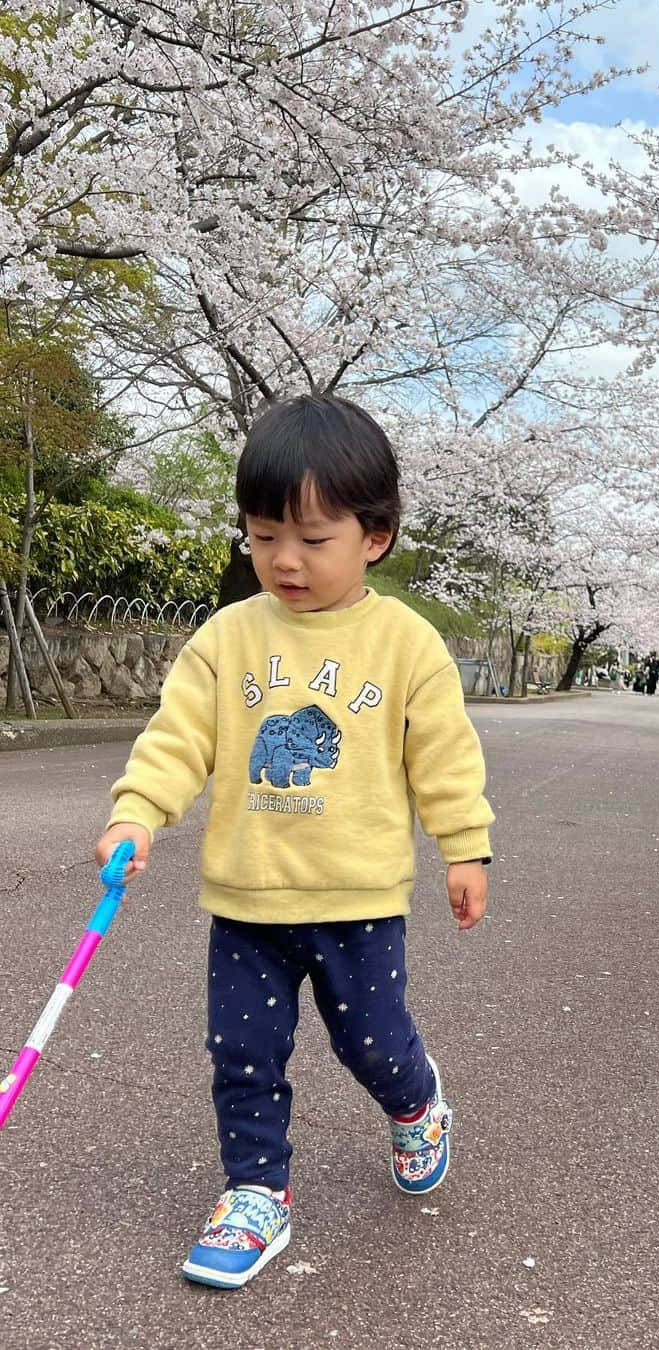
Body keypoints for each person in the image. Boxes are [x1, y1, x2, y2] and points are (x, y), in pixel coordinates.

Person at [93, 394, 495, 1290]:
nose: (285, 558)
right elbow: (177, 736)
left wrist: (463, 848)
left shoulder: (406, 644)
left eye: (314, 539)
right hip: (246, 899)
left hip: (358, 901)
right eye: (264, 533)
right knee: (243, 1057)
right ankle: (255, 1194)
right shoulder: (228, 637)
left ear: (375, 536)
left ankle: (416, 1102)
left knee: (375, 1047)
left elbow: (445, 758)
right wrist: (136, 812)